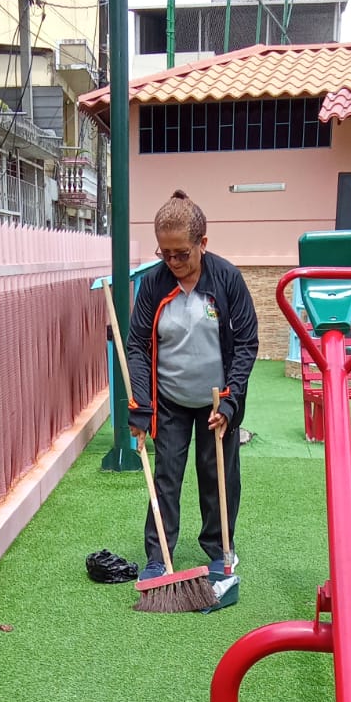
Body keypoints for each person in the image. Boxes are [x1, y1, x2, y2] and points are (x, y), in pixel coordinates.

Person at [126, 190, 259, 581]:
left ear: (203, 243)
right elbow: (137, 345)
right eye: (165, 254)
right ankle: (159, 557)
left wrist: (230, 403)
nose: (173, 262)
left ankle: (220, 550)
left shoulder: (227, 279)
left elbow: (247, 343)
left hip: (218, 400)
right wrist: (141, 406)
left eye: (181, 253)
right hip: (171, 399)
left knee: (217, 475)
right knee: (166, 476)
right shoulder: (154, 285)